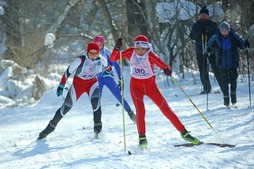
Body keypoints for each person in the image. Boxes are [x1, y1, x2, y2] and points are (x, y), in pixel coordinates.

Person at [110, 35, 200, 149]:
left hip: (151, 87)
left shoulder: (150, 55)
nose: (140, 51)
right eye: (138, 49)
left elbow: (162, 64)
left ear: (147, 48)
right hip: (135, 87)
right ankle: (142, 138)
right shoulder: (131, 52)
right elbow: (113, 59)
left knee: (165, 109)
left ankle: (184, 133)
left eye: (143, 49)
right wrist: (116, 48)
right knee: (141, 111)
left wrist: (167, 69)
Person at [37, 42, 109, 140]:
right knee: (66, 107)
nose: (93, 56)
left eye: (95, 54)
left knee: (96, 103)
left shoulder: (101, 60)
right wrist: (61, 85)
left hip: (92, 84)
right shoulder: (80, 60)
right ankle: (49, 129)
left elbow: (107, 68)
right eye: (91, 53)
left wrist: (107, 72)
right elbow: (67, 72)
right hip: (78, 86)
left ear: (98, 53)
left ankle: (98, 130)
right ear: (87, 52)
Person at [205, 21, 250, 107]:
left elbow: (242, 44)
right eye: (222, 30)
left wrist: (245, 45)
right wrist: (209, 50)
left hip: (233, 63)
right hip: (221, 64)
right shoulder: (216, 38)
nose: (224, 32)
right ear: (220, 31)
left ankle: (233, 99)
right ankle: (226, 101)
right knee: (224, 82)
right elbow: (209, 45)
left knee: (233, 81)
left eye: (226, 30)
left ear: (229, 30)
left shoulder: (234, 36)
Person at [93, 35, 136, 123]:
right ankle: (97, 121)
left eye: (100, 44)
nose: (98, 46)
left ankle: (131, 113)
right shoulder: (92, 53)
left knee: (118, 95)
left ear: (103, 44)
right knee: (96, 99)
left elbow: (116, 66)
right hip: (98, 79)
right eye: (96, 44)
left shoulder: (107, 53)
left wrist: (121, 79)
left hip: (108, 78)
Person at [190, 6, 222, 94]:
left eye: (205, 15)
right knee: (203, 70)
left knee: (216, 68)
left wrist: (209, 31)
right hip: (200, 51)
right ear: (199, 16)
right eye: (201, 15)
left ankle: (223, 86)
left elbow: (218, 34)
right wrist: (199, 33)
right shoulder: (196, 25)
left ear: (208, 16)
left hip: (212, 50)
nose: (203, 16)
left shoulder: (213, 24)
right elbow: (191, 36)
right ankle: (206, 88)